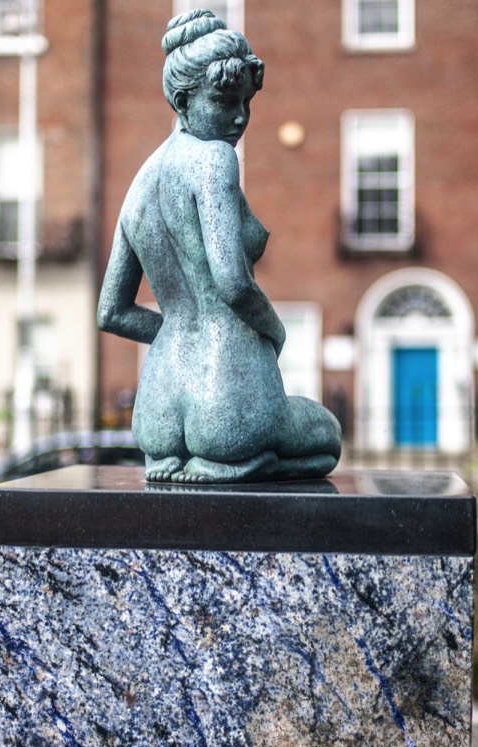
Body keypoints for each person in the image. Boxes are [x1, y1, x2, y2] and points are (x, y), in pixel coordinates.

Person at [97, 9, 341, 483]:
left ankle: (209, 459)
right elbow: (232, 282)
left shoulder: (139, 184)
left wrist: (177, 331)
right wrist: (273, 331)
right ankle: (247, 460)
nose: (240, 117)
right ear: (183, 100)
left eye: (247, 102)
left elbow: (112, 312)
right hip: (228, 397)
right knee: (327, 434)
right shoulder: (213, 160)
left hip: (157, 420)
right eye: (226, 99)